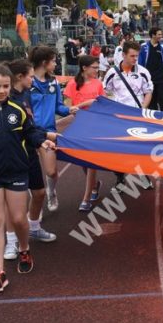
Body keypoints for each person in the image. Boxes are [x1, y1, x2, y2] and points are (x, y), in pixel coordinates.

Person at [0, 65, 56, 296]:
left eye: (5, 86)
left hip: (17, 172)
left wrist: (41, 142)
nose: (1, 90)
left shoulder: (18, 110)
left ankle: (24, 248)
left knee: (18, 219)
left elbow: (30, 133)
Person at [5, 59, 57, 257]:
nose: (32, 79)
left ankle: (34, 227)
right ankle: (11, 241)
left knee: (39, 193)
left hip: (30, 150)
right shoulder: (9, 100)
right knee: (13, 202)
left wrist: (42, 138)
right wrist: (46, 136)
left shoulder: (26, 94)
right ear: (20, 77)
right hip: (13, 155)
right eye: (29, 76)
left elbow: (30, 126)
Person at [30, 46, 76, 213]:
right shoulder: (28, 82)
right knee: (31, 172)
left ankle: (51, 191)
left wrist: (70, 110)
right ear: (44, 62)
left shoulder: (53, 82)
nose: (56, 63)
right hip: (28, 132)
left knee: (51, 171)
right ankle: (36, 202)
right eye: (54, 60)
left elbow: (58, 106)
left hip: (48, 132)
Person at [104, 40, 154, 190]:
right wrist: (113, 107)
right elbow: (105, 91)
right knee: (119, 150)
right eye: (132, 56)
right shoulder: (112, 73)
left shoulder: (143, 72)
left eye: (137, 56)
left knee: (140, 148)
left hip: (137, 116)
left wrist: (142, 109)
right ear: (123, 55)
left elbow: (148, 92)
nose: (134, 59)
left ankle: (144, 176)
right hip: (118, 118)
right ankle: (120, 179)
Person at [63, 55, 104, 212]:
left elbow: (101, 103)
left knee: (90, 161)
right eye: (94, 67)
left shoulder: (98, 84)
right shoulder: (73, 84)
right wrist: (78, 110)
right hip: (79, 125)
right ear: (84, 68)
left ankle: (86, 198)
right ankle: (95, 185)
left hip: (94, 126)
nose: (97, 70)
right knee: (82, 162)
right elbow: (68, 107)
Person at [139, 27, 163, 111]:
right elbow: (140, 63)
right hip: (150, 80)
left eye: (161, 34)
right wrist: (142, 76)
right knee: (151, 104)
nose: (161, 36)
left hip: (162, 80)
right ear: (153, 35)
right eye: (159, 34)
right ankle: (153, 122)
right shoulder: (144, 47)